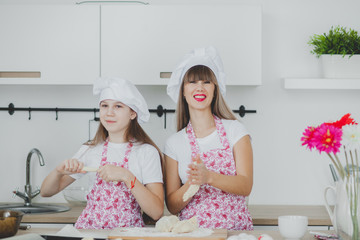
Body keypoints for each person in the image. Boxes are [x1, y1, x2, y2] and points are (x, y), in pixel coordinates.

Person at [40, 77, 164, 229]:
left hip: (127, 235)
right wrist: (58, 171)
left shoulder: (146, 153)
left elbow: (156, 212)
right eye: (104, 106)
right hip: (90, 233)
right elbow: (46, 192)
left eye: (118, 106)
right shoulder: (90, 150)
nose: (109, 113)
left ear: (132, 113)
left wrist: (126, 176)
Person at [164, 46, 253, 230]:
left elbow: (246, 185)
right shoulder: (174, 143)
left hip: (234, 232)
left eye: (206, 82)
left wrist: (209, 177)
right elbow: (172, 205)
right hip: (192, 234)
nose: (200, 88)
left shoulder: (235, 131)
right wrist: (192, 183)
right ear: (183, 90)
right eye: (192, 82)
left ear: (215, 89)